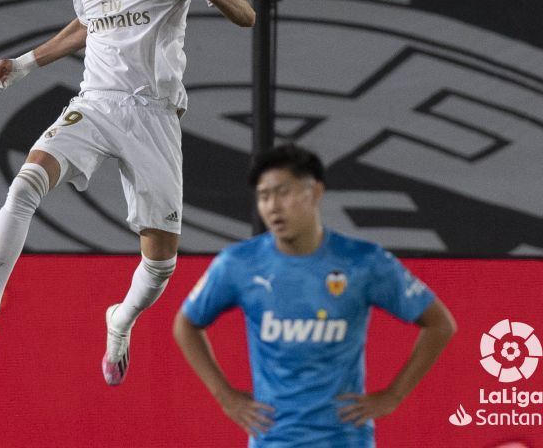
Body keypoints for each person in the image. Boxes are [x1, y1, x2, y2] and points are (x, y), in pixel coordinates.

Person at [0, 0, 255, 386]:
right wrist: (23, 64)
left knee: (161, 264)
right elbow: (89, 24)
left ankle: (121, 320)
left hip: (154, 116)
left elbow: (246, 14)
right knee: (26, 183)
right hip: (96, 104)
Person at [173, 144, 456, 446]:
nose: (273, 206)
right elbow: (186, 324)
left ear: (315, 192)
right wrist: (225, 396)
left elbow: (440, 324)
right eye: (264, 196)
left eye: (283, 192)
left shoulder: (363, 261)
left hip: (345, 439)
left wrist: (393, 396)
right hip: (274, 440)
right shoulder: (239, 263)